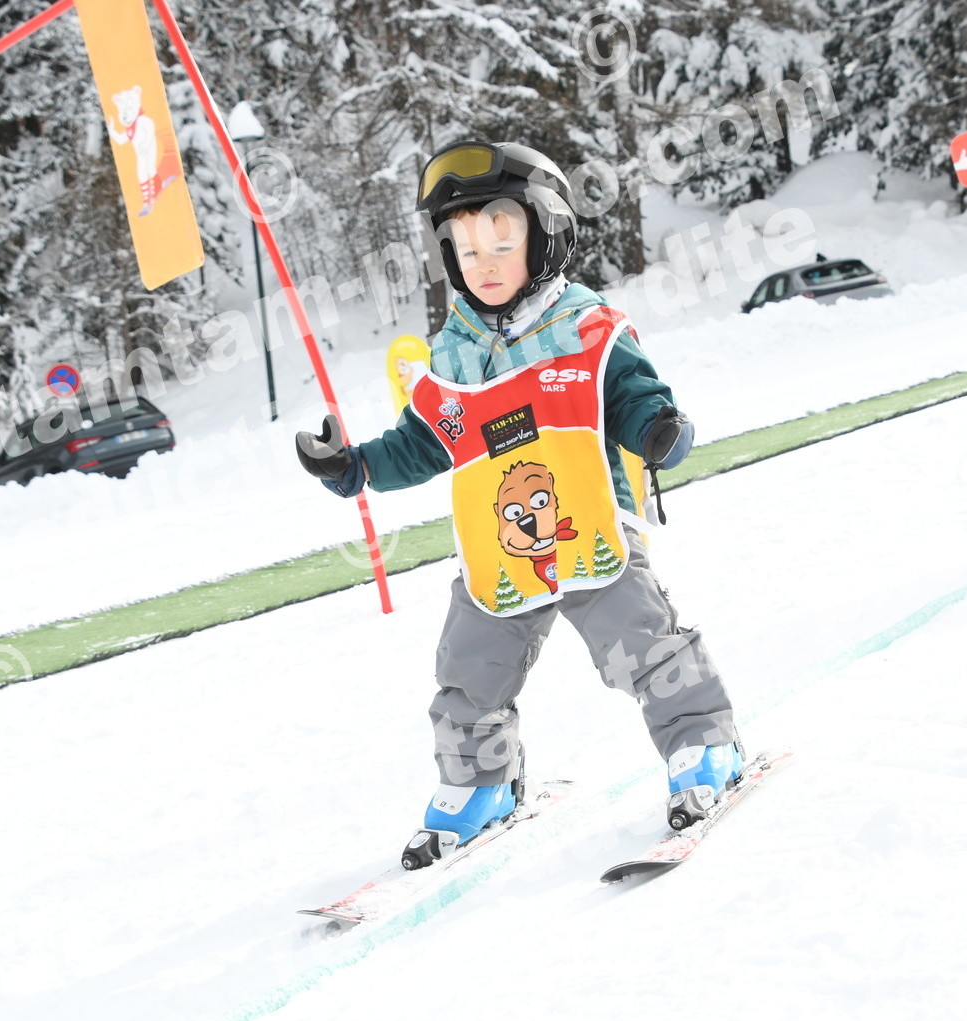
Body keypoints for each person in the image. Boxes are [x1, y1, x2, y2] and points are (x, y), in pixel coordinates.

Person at [294, 140, 742, 867]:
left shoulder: (586, 328)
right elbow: (424, 441)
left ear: (547, 234)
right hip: (497, 550)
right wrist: (356, 465)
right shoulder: (453, 354)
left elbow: (634, 396)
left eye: (502, 244)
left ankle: (702, 743)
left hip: (590, 527)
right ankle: (481, 783)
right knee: (470, 667)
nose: (486, 263)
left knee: (642, 645)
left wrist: (658, 428)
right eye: (468, 251)